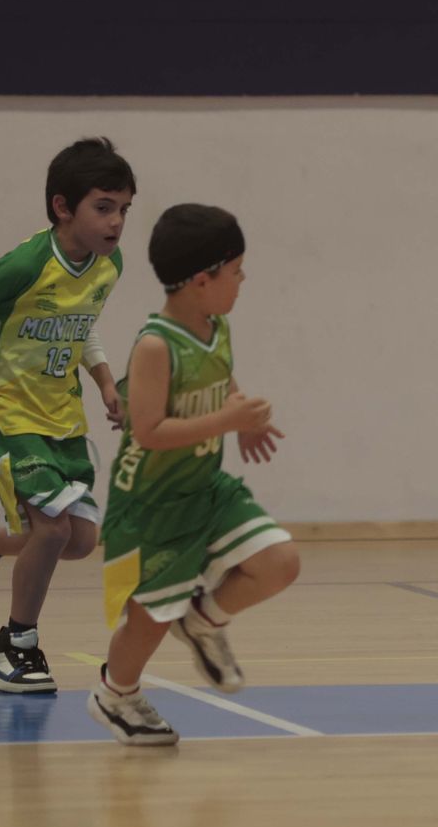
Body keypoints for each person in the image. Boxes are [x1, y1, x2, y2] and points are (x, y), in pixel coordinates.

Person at [87, 204, 300, 746]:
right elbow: (149, 430)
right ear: (203, 280)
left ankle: (204, 620)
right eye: (237, 271)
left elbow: (220, 379)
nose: (243, 280)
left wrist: (241, 418)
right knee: (147, 623)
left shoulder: (215, 325)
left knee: (279, 563)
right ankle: (116, 693)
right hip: (152, 507)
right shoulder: (156, 344)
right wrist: (227, 420)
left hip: (206, 488)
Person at [0, 137, 133, 694]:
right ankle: (15, 646)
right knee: (51, 528)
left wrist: (104, 381)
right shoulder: (27, 262)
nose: (116, 222)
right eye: (103, 207)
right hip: (9, 410)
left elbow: (81, 320)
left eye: (124, 209)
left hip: (62, 416)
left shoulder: (108, 264)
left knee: (80, 539)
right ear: (62, 207)